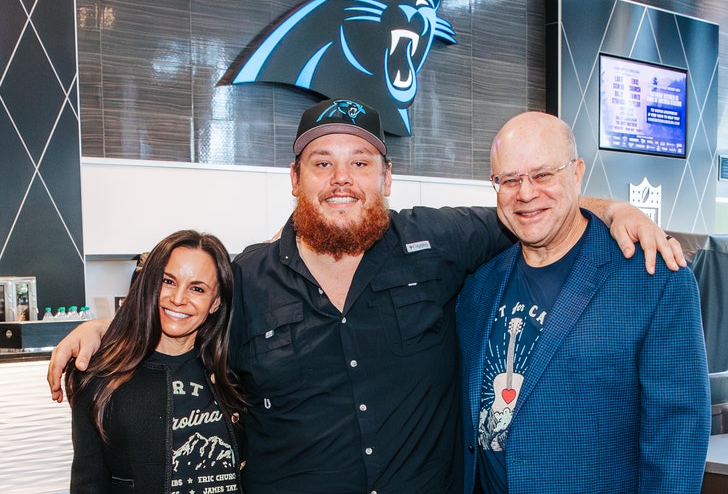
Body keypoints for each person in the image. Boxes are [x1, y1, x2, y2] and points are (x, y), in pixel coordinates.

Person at [50, 99, 685, 493]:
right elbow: (178, 312)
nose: (342, 179)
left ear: (387, 176)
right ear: (294, 179)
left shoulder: (439, 241)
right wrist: (99, 331)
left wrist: (615, 207)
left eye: (360, 162)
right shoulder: (246, 274)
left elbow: (532, 208)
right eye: (322, 162)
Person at [456, 112, 710, 494]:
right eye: (509, 180)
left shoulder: (654, 278)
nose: (525, 193)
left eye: (543, 175)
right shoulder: (477, 286)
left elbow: (679, 431)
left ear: (577, 174)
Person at [64, 230, 246, 493]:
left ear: (215, 302)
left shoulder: (235, 371)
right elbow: (88, 482)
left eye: (197, 288)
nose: (178, 298)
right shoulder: (100, 377)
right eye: (168, 281)